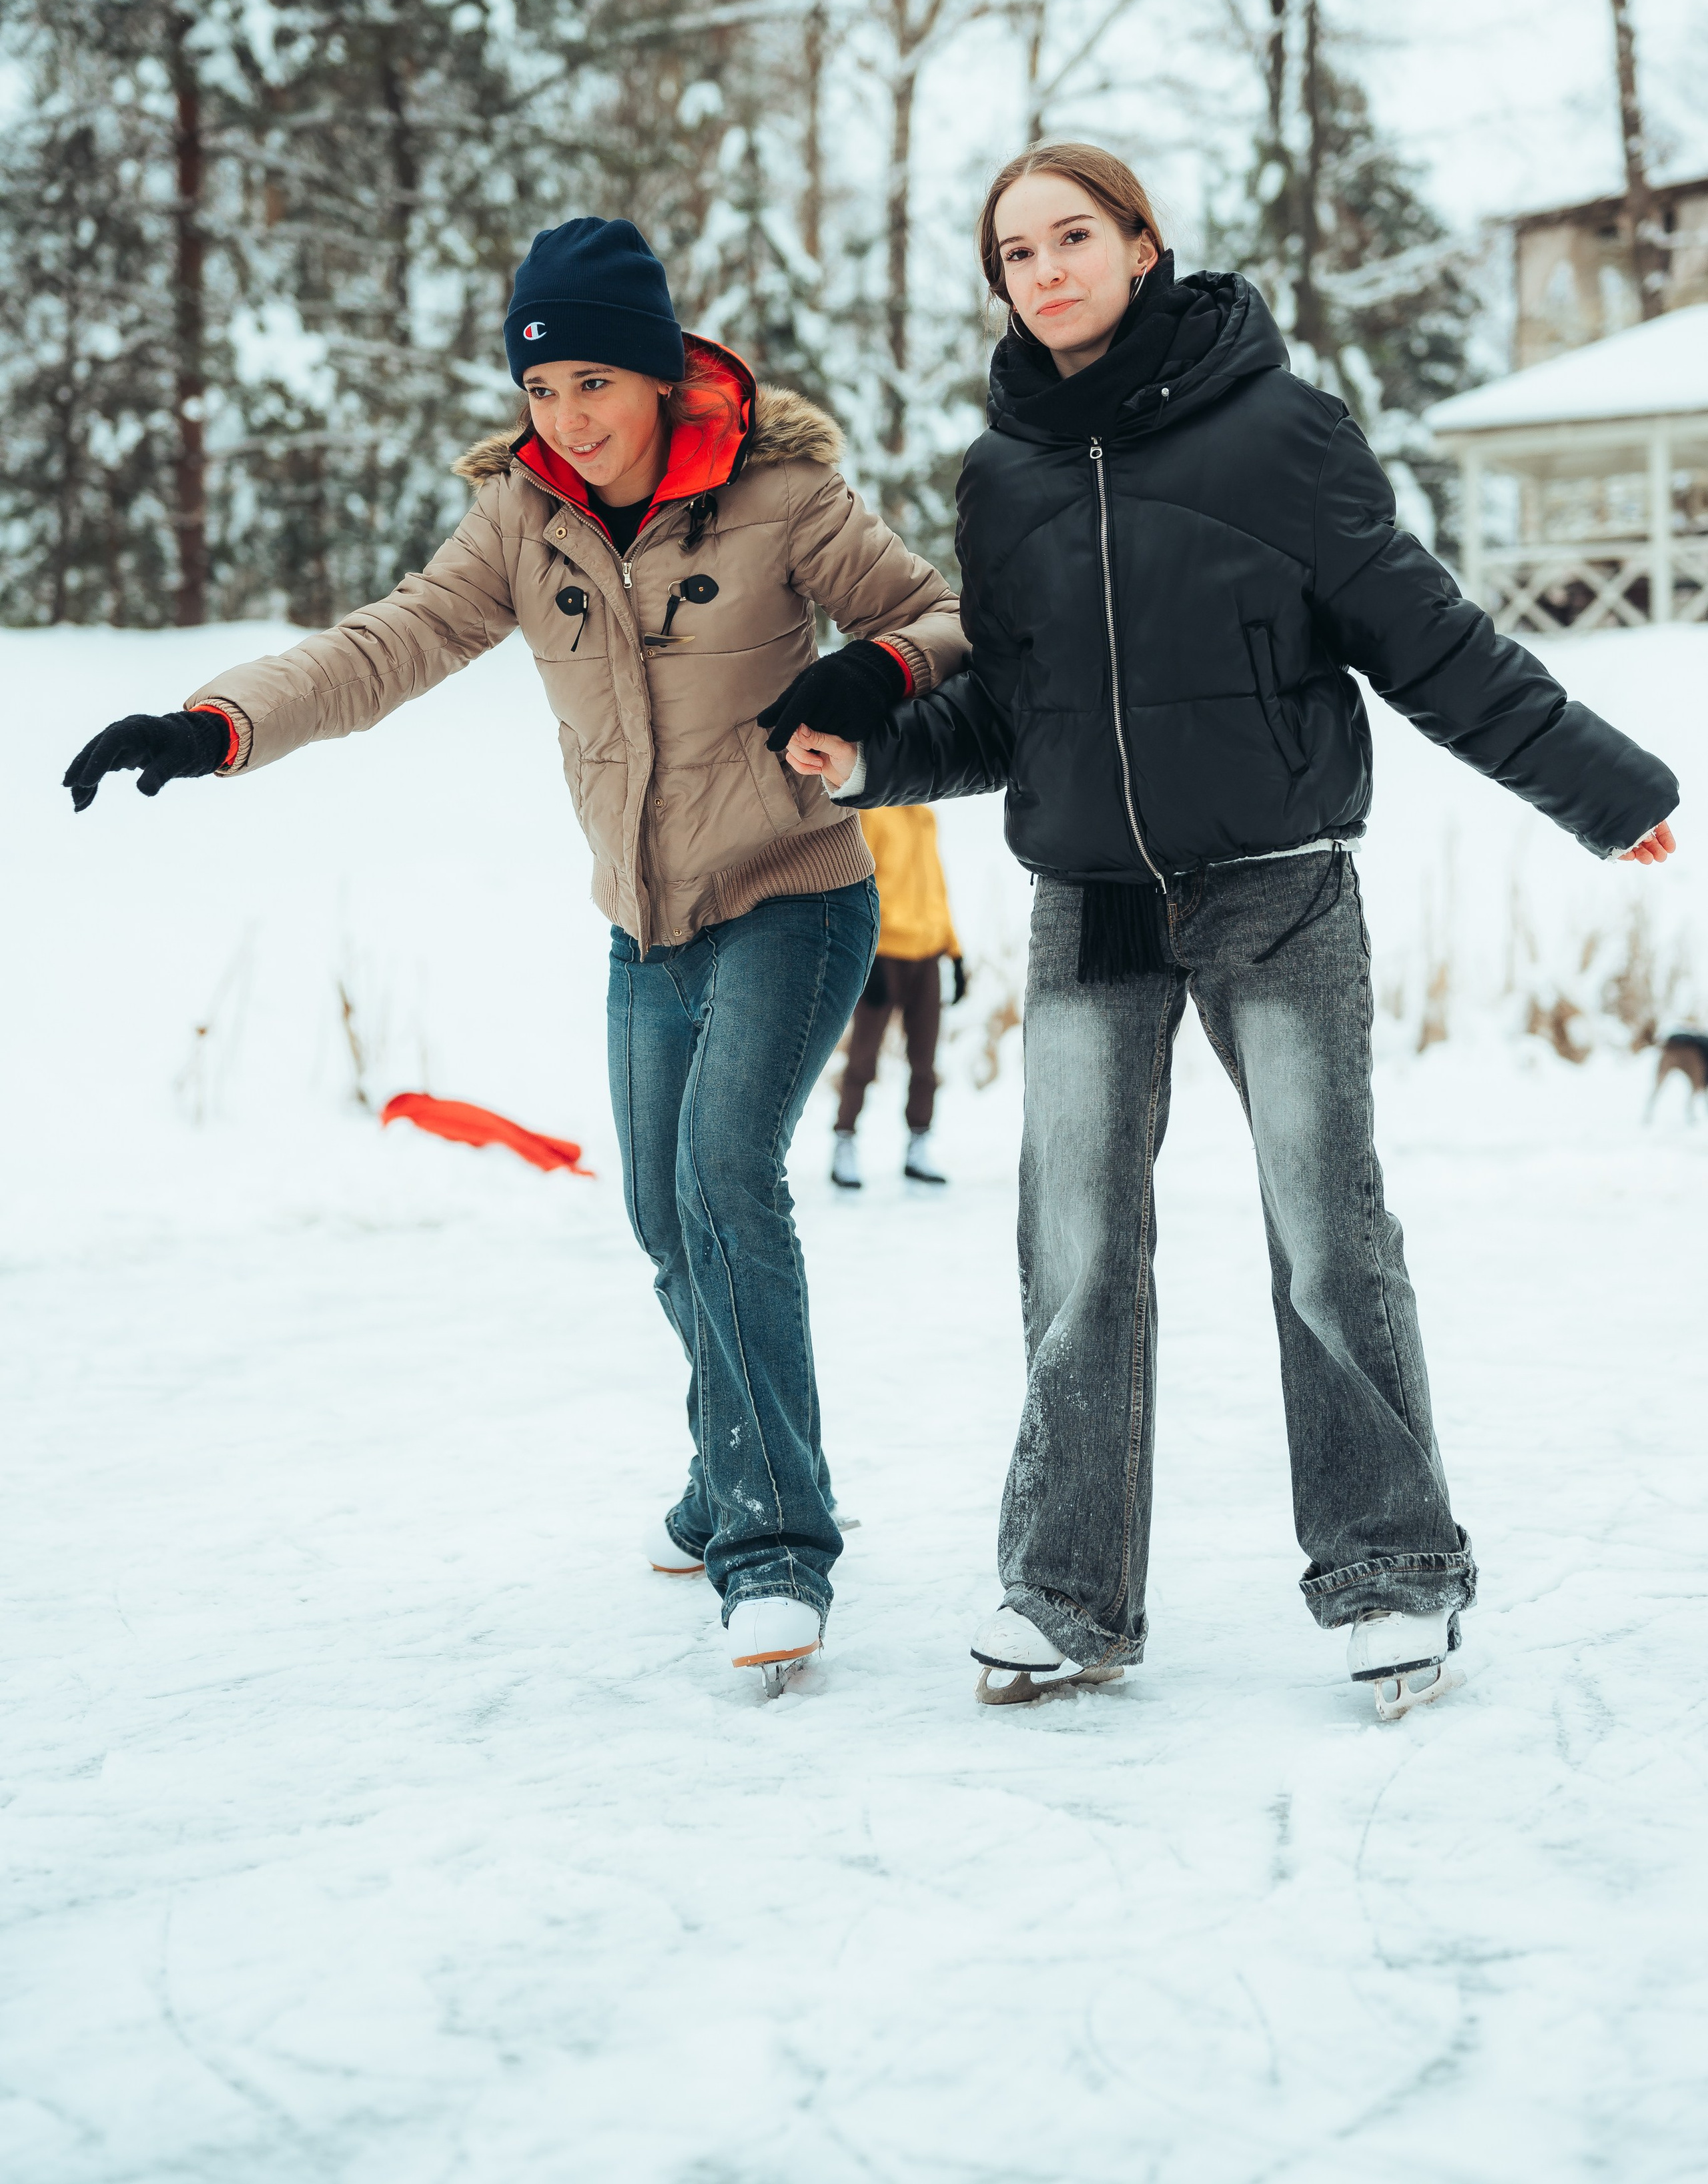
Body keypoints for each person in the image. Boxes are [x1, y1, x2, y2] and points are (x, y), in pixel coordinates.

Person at [784, 141, 1680, 1718]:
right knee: (1069, 1247)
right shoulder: (1003, 473)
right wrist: (873, 758)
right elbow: (1014, 706)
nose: (1045, 269)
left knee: (1325, 1231)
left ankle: (1389, 1575)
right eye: (1014, 253)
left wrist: (1596, 786)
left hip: (1273, 878)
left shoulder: (1277, 431)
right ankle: (1064, 1596)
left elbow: (1422, 633)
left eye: (1074, 236)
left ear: (1141, 245)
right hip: (1094, 896)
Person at [63, 215, 967, 1691]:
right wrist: (213, 723)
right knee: (665, 1231)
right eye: (541, 392)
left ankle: (774, 1546)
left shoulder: (781, 493)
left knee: (724, 1181)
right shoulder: (521, 520)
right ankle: (725, 1464)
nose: (567, 420)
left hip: (794, 895)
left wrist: (873, 668)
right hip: (644, 928)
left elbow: (942, 613)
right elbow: (386, 644)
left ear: (663, 375)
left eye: (593, 386)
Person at [831, 804, 965, 1190]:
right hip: (885, 953)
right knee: (863, 1058)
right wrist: (866, 953)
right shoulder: (872, 813)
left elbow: (937, 887)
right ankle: (845, 1143)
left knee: (925, 1061)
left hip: (928, 953)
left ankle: (918, 1148)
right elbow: (859, 885)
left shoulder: (925, 815)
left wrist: (955, 951)